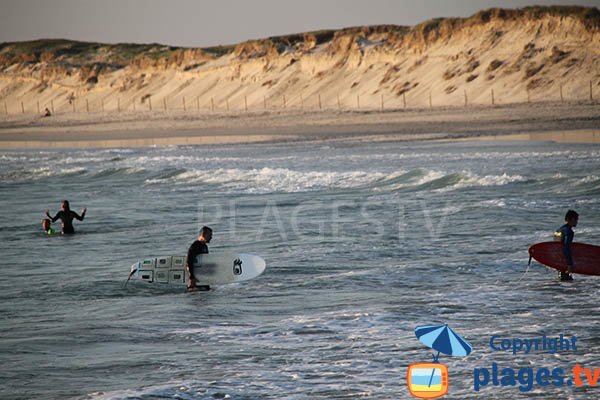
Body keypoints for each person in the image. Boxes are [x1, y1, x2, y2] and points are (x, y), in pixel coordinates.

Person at [554, 209, 579, 281]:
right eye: (576, 220)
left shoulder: (559, 230)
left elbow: (556, 246)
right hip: (565, 262)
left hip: (558, 261)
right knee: (567, 282)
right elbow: (566, 248)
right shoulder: (569, 232)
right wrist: (569, 264)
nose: (577, 222)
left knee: (561, 281)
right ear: (572, 219)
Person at [186, 226, 213, 291]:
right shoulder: (195, 246)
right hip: (195, 281)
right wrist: (191, 278)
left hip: (203, 280)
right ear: (204, 234)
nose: (211, 237)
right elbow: (189, 261)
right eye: (210, 235)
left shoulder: (205, 246)